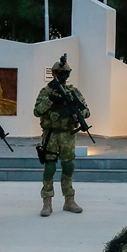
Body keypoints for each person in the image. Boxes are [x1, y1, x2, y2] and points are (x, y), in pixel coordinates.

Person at [33, 54, 90, 217]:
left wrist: (78, 114)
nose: (63, 76)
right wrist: (51, 100)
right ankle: (47, 201)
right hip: (51, 134)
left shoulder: (73, 92)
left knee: (68, 166)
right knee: (49, 167)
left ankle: (69, 200)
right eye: (60, 73)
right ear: (54, 73)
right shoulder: (45, 91)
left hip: (67, 134)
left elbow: (86, 110)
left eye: (66, 73)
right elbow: (37, 111)